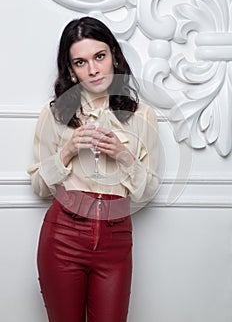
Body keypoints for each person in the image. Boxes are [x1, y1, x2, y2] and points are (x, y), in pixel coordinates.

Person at [27, 16, 159, 322]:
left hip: (115, 241)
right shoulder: (54, 114)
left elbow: (148, 190)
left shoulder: (142, 116)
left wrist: (124, 156)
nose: (93, 69)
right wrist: (69, 149)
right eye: (80, 62)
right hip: (63, 238)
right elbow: (39, 186)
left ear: (114, 54)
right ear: (71, 70)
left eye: (99, 56)